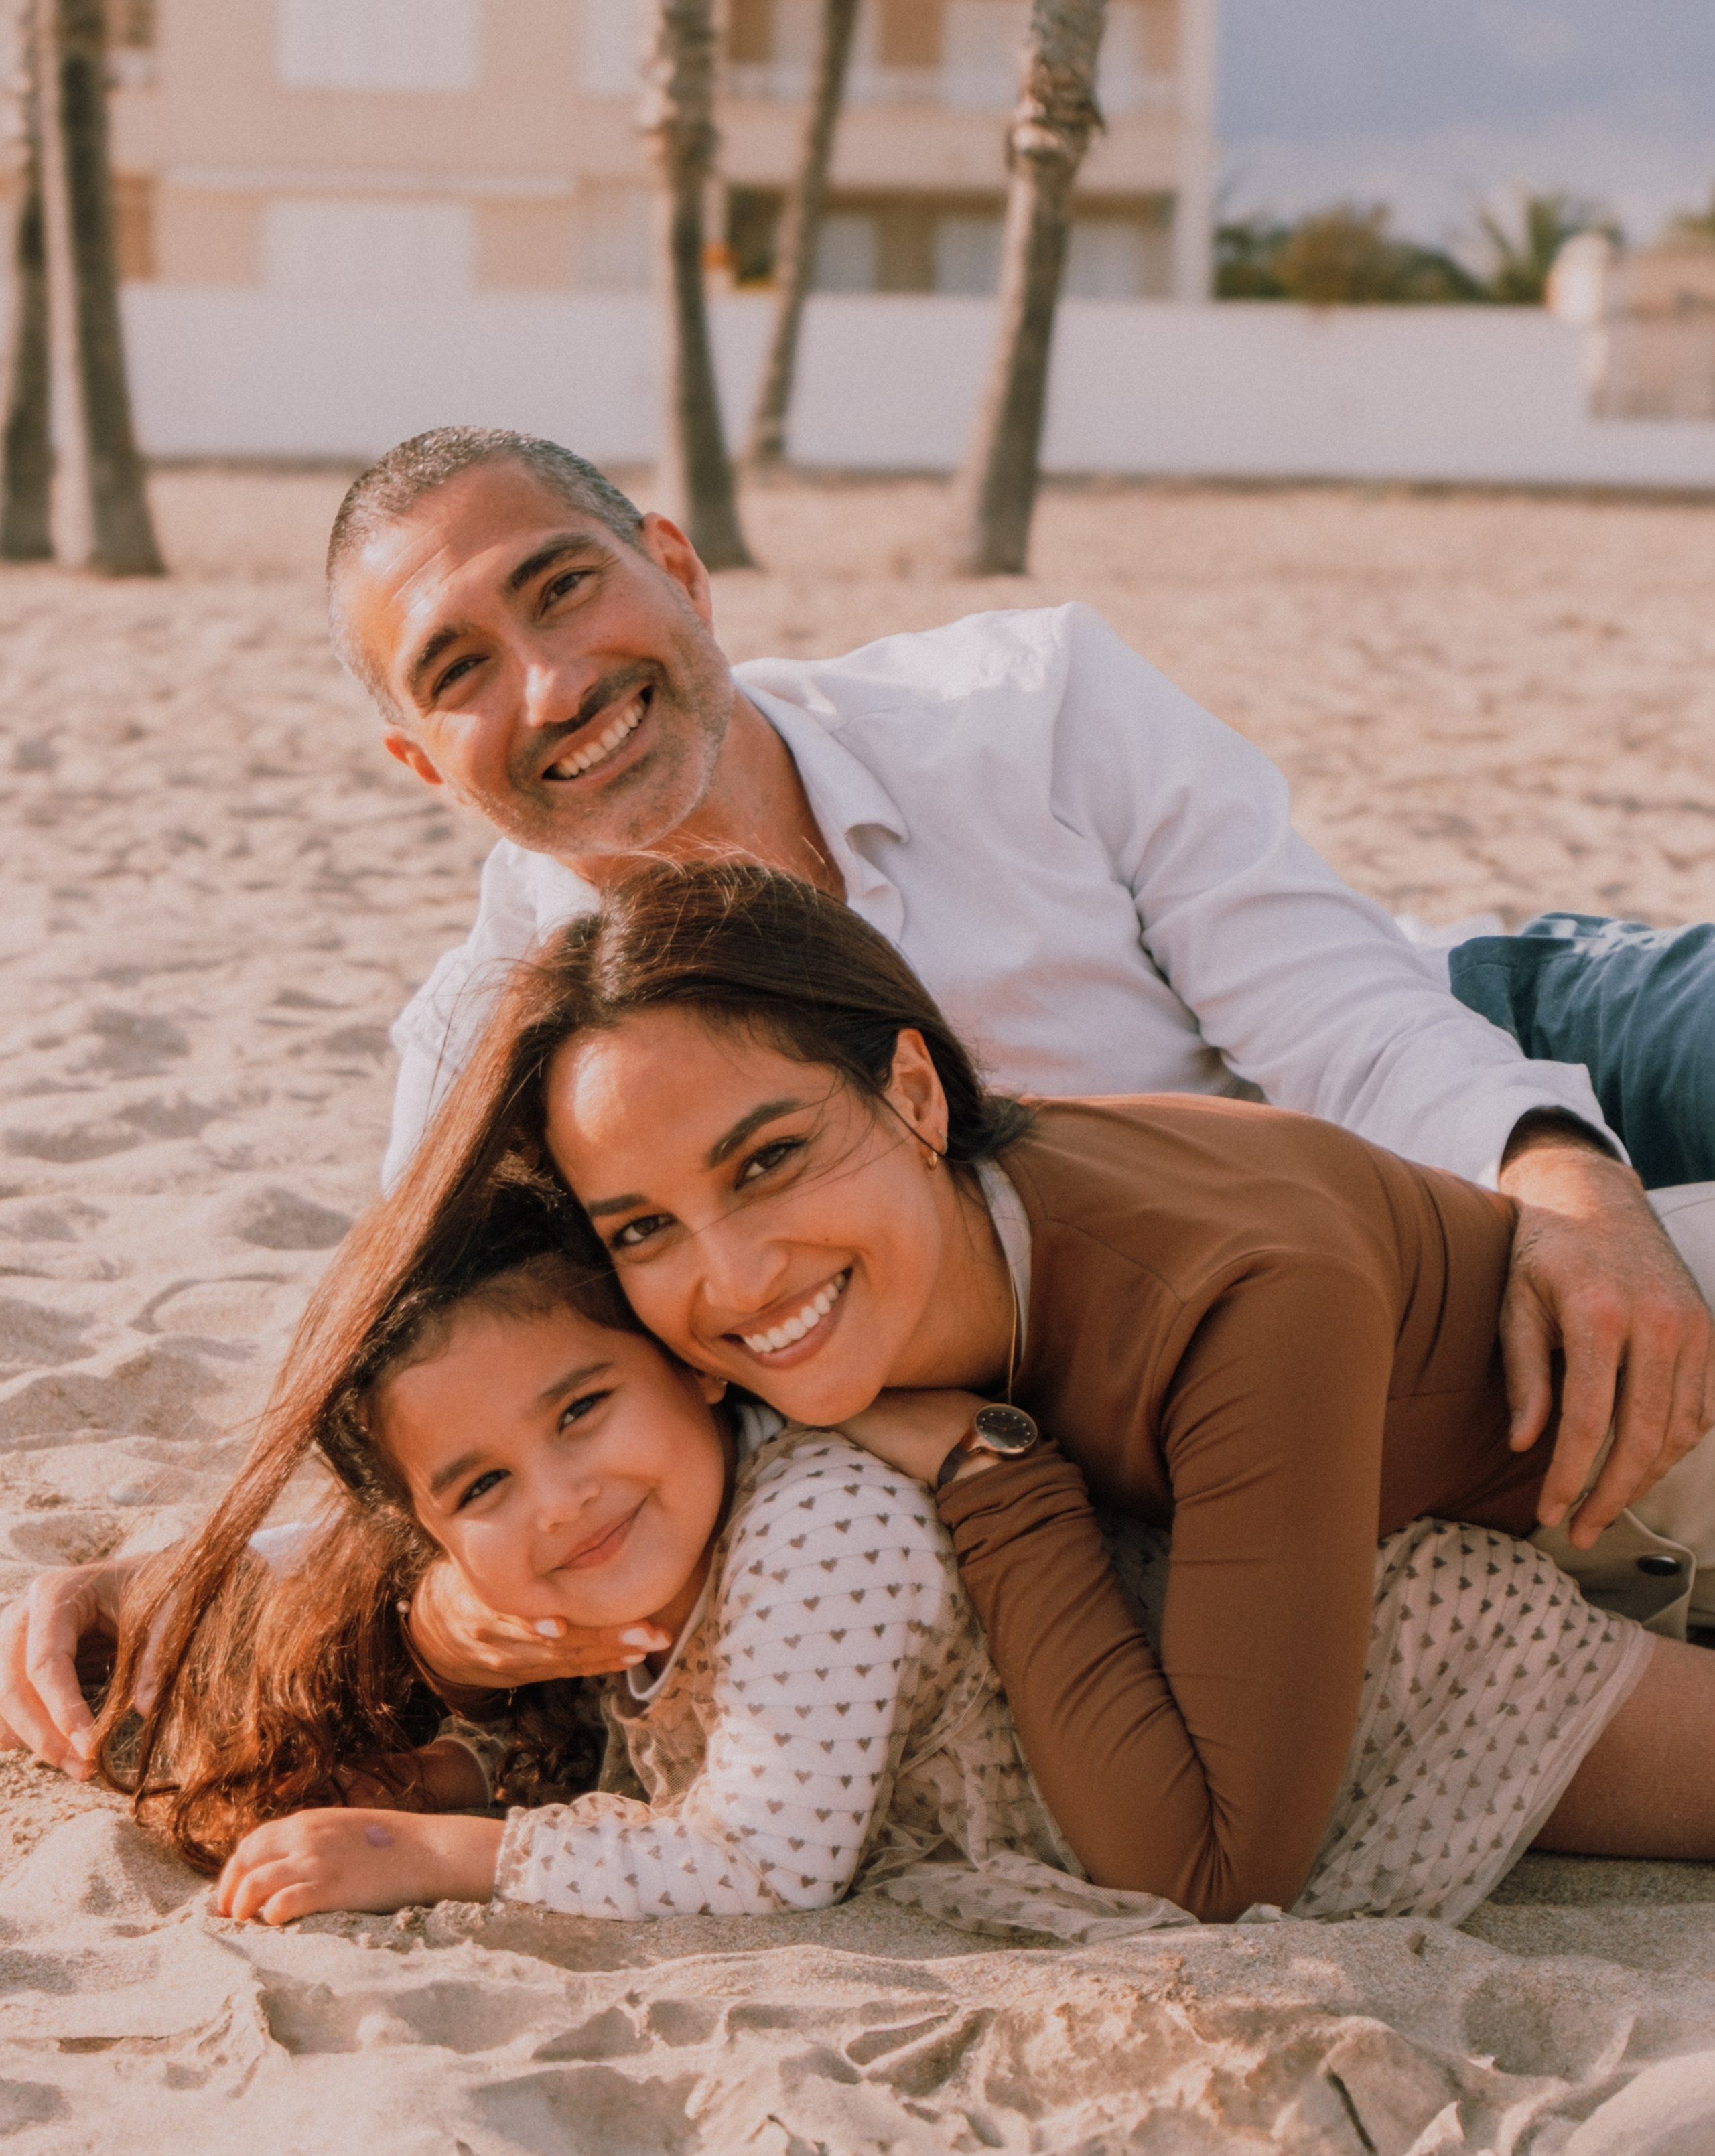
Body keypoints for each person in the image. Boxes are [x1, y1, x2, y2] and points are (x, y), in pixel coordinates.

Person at [5, 427, 1712, 1774]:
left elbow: (1331, 1009)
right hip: (1291, 1281)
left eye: (562, 588)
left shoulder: (1025, 701)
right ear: (415, 763)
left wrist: (1559, 1175)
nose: (548, 686)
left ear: (672, 569)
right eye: (454, 670)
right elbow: (448, 1399)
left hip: (1464, 1030)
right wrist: (195, 1568)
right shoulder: (489, 1052)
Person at [197, 861, 1715, 1927]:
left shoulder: (1227, 1303)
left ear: (914, 1095)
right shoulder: (754, 1324)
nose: (730, 1279)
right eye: (644, 1228)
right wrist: (447, 1628)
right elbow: (485, 1437)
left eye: (769, 1158)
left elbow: (1210, 1874)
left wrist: (991, 1480)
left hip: (1656, 1432)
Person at [118, 1182, 1079, 1930]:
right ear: (435, 1546)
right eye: (482, 1488)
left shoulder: (825, 1520)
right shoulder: (631, 1556)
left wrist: (433, 1852)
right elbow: (624, 1754)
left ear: (692, 1364)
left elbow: (768, 1863)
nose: (561, 1499)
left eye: (582, 1411)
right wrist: (460, 1772)